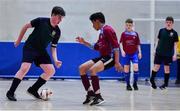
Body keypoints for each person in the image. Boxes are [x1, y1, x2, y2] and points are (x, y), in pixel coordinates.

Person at [6, 6, 65, 101]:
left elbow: (53, 47)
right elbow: (25, 26)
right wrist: (18, 40)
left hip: (41, 50)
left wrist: (56, 60)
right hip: (30, 47)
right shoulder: (41, 21)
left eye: (62, 18)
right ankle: (11, 92)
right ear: (53, 15)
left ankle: (33, 89)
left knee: (51, 71)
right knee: (24, 68)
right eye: (59, 18)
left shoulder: (57, 31)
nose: (60, 20)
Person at [76, 12, 123, 106]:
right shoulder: (101, 32)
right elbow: (96, 47)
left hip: (110, 57)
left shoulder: (108, 30)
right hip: (102, 57)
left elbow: (116, 47)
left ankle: (98, 97)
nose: (92, 26)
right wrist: (84, 42)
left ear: (97, 21)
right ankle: (90, 94)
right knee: (82, 68)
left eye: (92, 23)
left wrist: (117, 62)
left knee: (93, 70)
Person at [150, 16, 178, 90]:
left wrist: (175, 54)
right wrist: (154, 49)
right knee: (156, 67)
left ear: (172, 23)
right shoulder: (161, 31)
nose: (168, 24)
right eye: (167, 22)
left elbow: (175, 45)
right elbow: (157, 41)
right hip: (159, 53)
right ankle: (152, 80)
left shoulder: (175, 33)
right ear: (165, 23)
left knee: (167, 69)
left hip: (168, 54)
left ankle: (165, 84)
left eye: (170, 23)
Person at [119, 18, 142, 91]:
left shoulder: (135, 34)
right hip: (126, 54)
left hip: (134, 54)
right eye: (127, 25)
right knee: (126, 69)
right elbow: (121, 43)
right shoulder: (123, 34)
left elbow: (138, 44)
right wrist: (122, 51)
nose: (128, 26)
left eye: (130, 25)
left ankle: (135, 83)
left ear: (132, 25)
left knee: (136, 68)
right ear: (125, 25)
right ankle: (128, 84)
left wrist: (140, 52)